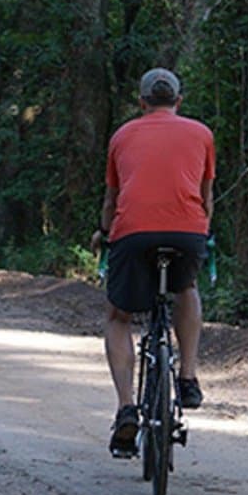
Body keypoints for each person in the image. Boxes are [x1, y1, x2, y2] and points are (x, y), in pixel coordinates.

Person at [90, 67, 215, 457]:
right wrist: (201, 234)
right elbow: (206, 196)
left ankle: (126, 407)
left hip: (133, 232)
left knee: (118, 316)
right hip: (187, 232)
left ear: (142, 102)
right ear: (178, 101)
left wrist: (103, 232)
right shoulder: (202, 134)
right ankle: (188, 377)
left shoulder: (122, 136)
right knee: (186, 287)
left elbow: (112, 201)